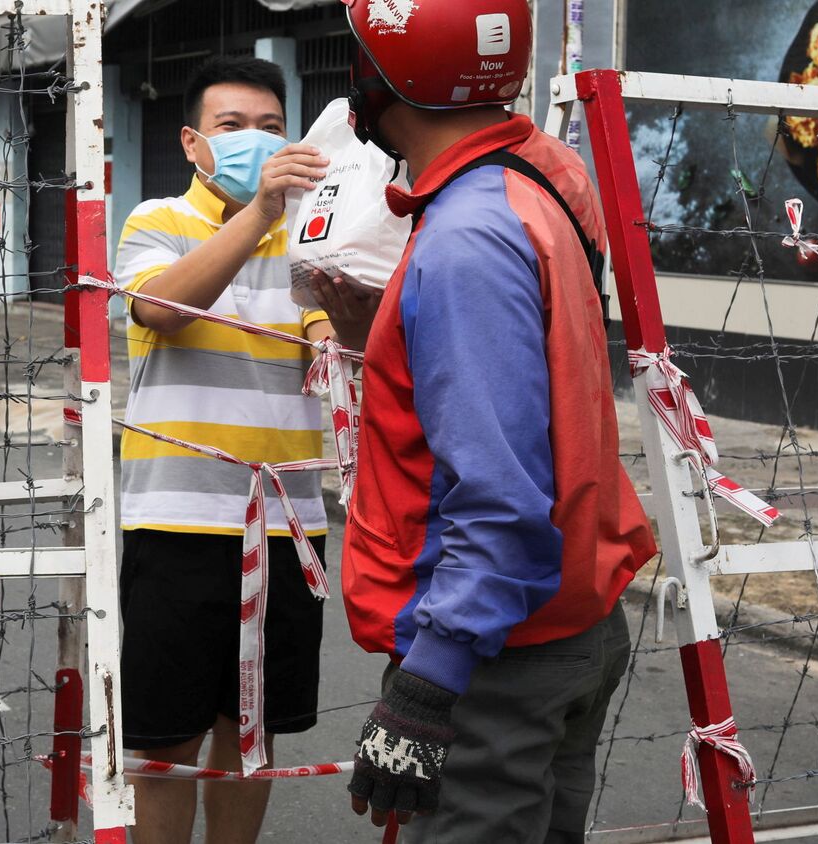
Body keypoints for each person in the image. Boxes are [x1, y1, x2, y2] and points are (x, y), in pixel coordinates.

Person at [328, 1, 660, 840]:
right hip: (574, 618)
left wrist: (426, 686)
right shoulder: (542, 175)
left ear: (383, 82)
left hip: (498, 658)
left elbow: (498, 497)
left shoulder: (464, 243)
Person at [112, 56, 370, 844]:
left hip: (287, 528)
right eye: (233, 127)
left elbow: (341, 354)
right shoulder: (155, 222)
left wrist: (349, 302)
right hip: (175, 521)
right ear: (193, 143)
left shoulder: (314, 237)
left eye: (270, 127)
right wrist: (258, 212)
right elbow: (160, 309)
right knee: (166, 744)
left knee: (251, 739)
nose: (255, 140)